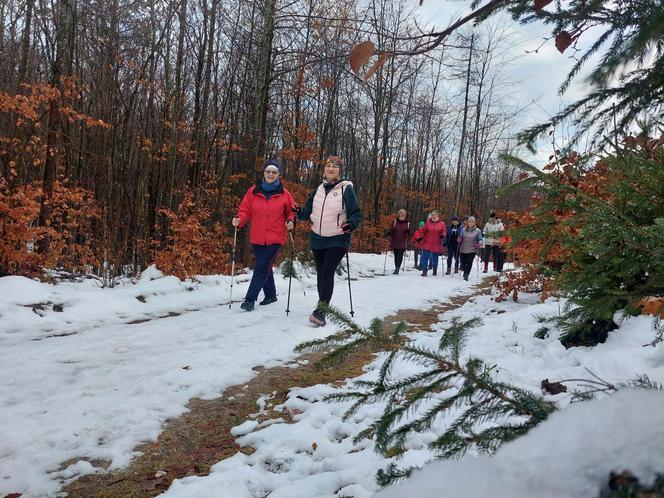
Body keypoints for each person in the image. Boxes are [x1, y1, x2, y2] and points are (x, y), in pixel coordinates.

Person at [296, 155, 362, 326]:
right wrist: (298, 211)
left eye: (335, 166)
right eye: (328, 166)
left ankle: (321, 311)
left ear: (339, 171)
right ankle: (322, 305)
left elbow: (356, 213)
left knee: (327, 271)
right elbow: (307, 212)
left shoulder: (345, 189)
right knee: (321, 273)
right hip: (317, 238)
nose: (331, 169)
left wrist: (350, 225)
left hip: (338, 238)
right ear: (324, 169)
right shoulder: (318, 189)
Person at [233, 159, 295, 311]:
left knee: (261, 267)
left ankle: (250, 299)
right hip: (257, 237)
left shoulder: (284, 194)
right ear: (264, 173)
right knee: (264, 266)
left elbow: (292, 211)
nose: (271, 174)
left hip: (276, 237)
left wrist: (291, 221)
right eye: (268, 171)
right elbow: (245, 210)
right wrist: (239, 220)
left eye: (274, 172)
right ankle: (270, 295)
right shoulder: (253, 191)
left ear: (278, 175)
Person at [417, 210, 446, 277]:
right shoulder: (428, 222)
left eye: (435, 214)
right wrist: (420, 237)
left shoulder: (442, 223)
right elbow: (422, 231)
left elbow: (444, 231)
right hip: (427, 242)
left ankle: (434, 269)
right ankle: (424, 271)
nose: (433, 216)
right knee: (425, 256)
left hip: (436, 242)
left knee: (435, 257)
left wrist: (442, 235)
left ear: (437, 215)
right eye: (432, 214)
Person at [457, 216, 483, 281]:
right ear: (467, 223)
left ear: (474, 223)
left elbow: (480, 239)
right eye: (469, 222)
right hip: (463, 248)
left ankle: (466, 274)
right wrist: (459, 239)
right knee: (463, 262)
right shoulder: (463, 229)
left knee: (469, 262)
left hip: (472, 249)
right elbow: (460, 236)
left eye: (472, 222)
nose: (470, 223)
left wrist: (479, 244)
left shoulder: (478, 231)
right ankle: (464, 269)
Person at [386, 209, 410, 274]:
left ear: (404, 216)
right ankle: (396, 266)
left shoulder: (407, 223)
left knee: (400, 255)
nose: (401, 216)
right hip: (395, 241)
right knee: (396, 255)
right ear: (398, 216)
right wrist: (389, 233)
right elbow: (391, 230)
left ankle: (397, 268)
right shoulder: (395, 222)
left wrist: (408, 232)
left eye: (402, 215)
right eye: (400, 215)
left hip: (402, 242)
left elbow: (410, 233)